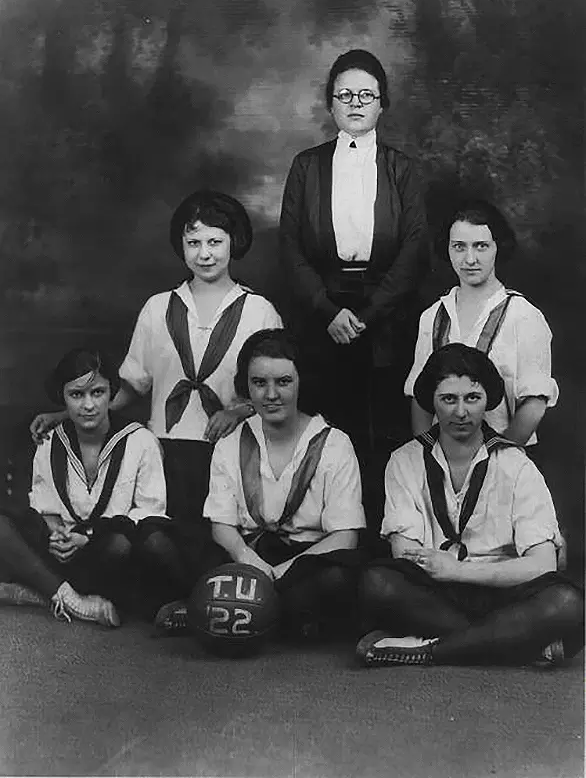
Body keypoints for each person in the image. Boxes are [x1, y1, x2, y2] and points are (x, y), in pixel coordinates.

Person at [30, 192, 282, 555]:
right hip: (165, 452)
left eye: (215, 242)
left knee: (215, 548)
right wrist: (63, 414)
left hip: (231, 453)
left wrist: (237, 411)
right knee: (160, 545)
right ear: (180, 246)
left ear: (234, 242)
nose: (204, 254)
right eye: (193, 243)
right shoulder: (157, 308)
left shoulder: (259, 311)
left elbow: (274, 392)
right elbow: (132, 386)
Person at [355, 344, 583, 667]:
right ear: (432, 402)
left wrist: (462, 571)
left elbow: (543, 564)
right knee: (377, 583)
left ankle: (429, 650)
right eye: (448, 399)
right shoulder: (404, 461)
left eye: (471, 399)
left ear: (487, 400)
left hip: (503, 590)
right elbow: (405, 554)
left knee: (567, 603)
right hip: (437, 593)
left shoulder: (516, 465)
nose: (461, 412)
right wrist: (445, 574)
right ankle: (515, 645)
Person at [156, 329, 366, 640]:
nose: (270, 395)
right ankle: (270, 616)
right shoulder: (232, 442)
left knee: (339, 576)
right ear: (246, 386)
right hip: (248, 553)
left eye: (283, 382)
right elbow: (222, 525)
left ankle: (215, 610)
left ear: (301, 382)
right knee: (185, 544)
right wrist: (247, 560)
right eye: (259, 383)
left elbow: (345, 537)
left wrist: (279, 574)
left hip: (304, 560)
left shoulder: (334, 444)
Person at [280, 49, 428, 461]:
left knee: (385, 433)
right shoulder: (306, 166)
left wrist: (370, 313)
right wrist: (329, 312)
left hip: (386, 315)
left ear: (383, 104)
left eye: (367, 95)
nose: (356, 104)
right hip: (322, 313)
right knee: (325, 433)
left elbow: (415, 248)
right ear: (330, 103)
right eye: (345, 95)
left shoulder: (403, 169)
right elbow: (289, 247)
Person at [0, 348, 183, 626]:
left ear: (111, 393)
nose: (88, 405)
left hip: (109, 553)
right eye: (76, 395)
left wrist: (89, 538)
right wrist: (56, 536)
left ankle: (42, 589)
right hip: (64, 553)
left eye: (97, 393)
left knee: (120, 545)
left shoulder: (140, 441)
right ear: (62, 398)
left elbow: (148, 514)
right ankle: (67, 597)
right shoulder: (49, 441)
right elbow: (44, 505)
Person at [405, 199, 558, 446]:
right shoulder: (433, 316)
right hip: (441, 459)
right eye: (459, 247)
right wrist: (426, 455)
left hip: (503, 460)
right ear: (447, 249)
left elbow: (535, 401)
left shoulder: (523, 315)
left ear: (498, 247)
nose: (470, 259)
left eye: (481, 246)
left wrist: (498, 458)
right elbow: (419, 396)